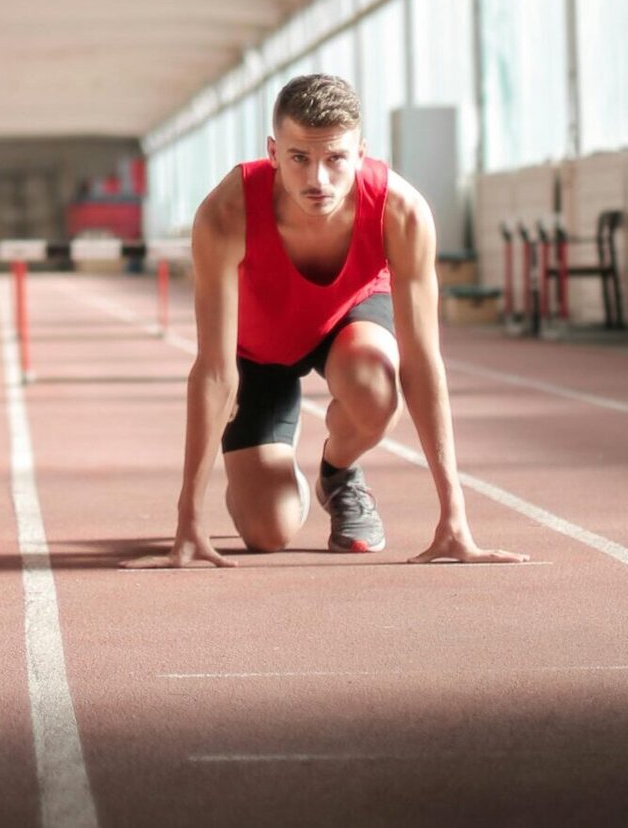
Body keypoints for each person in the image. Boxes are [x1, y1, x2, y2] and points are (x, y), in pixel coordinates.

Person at [127, 74, 527, 568]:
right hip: (260, 352)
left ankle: (338, 472)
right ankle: (271, 473)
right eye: (300, 158)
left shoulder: (401, 212)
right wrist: (188, 517)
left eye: (335, 158)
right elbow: (213, 370)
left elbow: (423, 364)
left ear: (361, 152)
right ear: (273, 152)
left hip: (349, 322)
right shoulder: (226, 213)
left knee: (376, 389)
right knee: (267, 532)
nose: (318, 180)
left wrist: (455, 517)